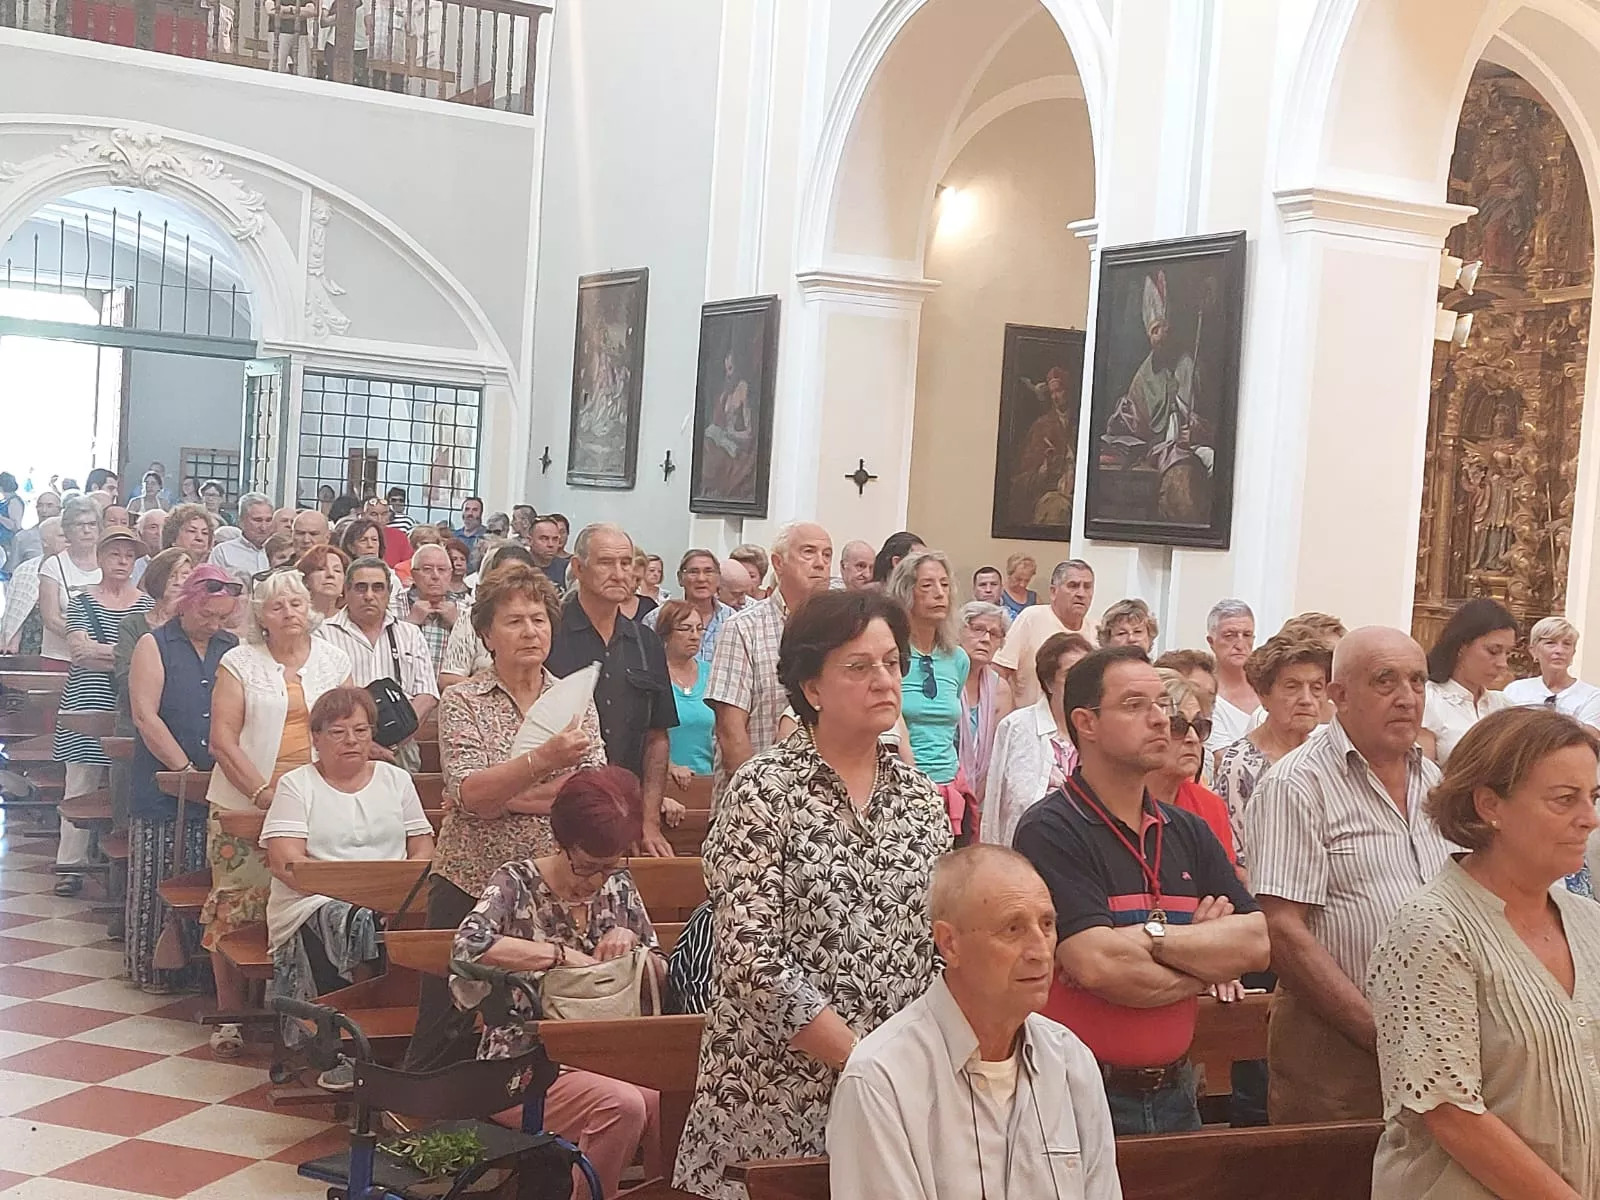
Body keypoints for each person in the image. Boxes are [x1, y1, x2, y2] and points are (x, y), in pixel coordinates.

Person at [672, 589, 952, 1199]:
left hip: (895, 1096)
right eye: (859, 666)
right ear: (813, 688)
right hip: (775, 1094)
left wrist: (918, 1060)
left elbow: (939, 947)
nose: (884, 679)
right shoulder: (763, 791)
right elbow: (752, 958)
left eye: (892, 662)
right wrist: (865, 1061)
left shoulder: (921, 801)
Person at [1012, 645, 1267, 1135]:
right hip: (1079, 1092)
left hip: (1177, 1092)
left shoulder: (1188, 830)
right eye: (1135, 705)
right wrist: (1201, 961)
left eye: (1162, 706)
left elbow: (1256, 943)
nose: (1160, 721)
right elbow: (1097, 964)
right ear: (1085, 723)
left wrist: (1146, 939)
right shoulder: (1052, 828)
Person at [1366, 707, 1600, 1200]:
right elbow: (1450, 1114)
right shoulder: (1432, 928)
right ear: (1490, 805)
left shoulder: (1589, 920)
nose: (1589, 819)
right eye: (1565, 800)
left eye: (1593, 797)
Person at [1244, 626, 1455, 1124]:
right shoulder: (1298, 784)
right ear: (1338, 695)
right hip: (1337, 1049)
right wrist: (1377, 1035)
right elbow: (1284, 932)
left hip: (1439, 1043)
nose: (1407, 698)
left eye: (1417, 682)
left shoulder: (1436, 782)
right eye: (1386, 681)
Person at [827, 846, 1120, 1200]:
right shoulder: (881, 1079)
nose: (1041, 951)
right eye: (1013, 928)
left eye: (1047, 925)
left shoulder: (1071, 1061)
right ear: (949, 944)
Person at [403, 562, 604, 1073]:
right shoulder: (462, 700)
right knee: (447, 1019)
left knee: (534, 1020)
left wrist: (507, 793)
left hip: (546, 886)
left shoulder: (575, 699)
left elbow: (588, 793)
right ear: (487, 634)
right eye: (514, 621)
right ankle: (424, 1128)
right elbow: (469, 793)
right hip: (470, 880)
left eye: (539, 619)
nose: (531, 631)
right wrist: (542, 765)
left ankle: (527, 1132)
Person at [453, 767, 666, 1199]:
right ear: (559, 842)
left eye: (610, 867)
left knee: (663, 1097)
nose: (596, 881)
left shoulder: (617, 884)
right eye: (586, 866)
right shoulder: (515, 882)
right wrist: (556, 955)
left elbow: (659, 965)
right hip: (523, 1065)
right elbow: (466, 950)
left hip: (607, 1056)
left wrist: (631, 943)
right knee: (624, 1104)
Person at [204, 570, 352, 1057]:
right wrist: (262, 791)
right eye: (277, 606)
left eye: (296, 603)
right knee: (236, 903)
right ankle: (229, 1014)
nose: (289, 612)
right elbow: (222, 738)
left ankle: (298, 1009)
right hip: (245, 801)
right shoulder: (239, 661)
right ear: (261, 618)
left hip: (317, 802)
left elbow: (349, 724)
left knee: (306, 905)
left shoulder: (333, 659)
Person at [262, 687, 434, 1089]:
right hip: (312, 900)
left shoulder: (395, 779)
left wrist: (399, 886)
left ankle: (414, 1041)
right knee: (351, 919)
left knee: (429, 918)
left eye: (360, 729)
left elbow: (423, 845)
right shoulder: (296, 784)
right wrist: (349, 891)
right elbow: (286, 860)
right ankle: (343, 1046)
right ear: (317, 738)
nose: (352, 740)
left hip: (395, 897)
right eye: (338, 732)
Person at [126, 565, 241, 993]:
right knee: (159, 875)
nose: (213, 625)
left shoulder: (230, 647)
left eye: (221, 618)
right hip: (164, 783)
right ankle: (152, 969)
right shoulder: (155, 644)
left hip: (216, 782)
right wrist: (183, 772)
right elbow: (145, 714)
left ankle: (199, 972)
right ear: (186, 603)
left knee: (202, 876)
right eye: (205, 616)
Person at [547, 524, 677, 855]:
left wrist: (648, 822)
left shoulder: (646, 642)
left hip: (623, 814)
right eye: (606, 562)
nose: (619, 573)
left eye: (626, 563)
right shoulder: (549, 633)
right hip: (554, 813)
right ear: (578, 568)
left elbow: (657, 737)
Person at [51, 529, 155, 896]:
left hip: (128, 704)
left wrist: (106, 651)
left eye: (129, 555)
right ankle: (71, 867)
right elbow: (79, 650)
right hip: (85, 699)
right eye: (115, 554)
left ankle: (119, 869)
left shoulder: (146, 605)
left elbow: (150, 654)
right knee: (79, 782)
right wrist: (125, 654)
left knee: (123, 786)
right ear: (100, 558)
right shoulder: (82, 600)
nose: (122, 562)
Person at [706, 522, 833, 793]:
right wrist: (764, 799)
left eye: (827, 554)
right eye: (809, 552)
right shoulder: (743, 628)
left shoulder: (839, 631)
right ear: (778, 563)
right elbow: (731, 732)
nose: (820, 563)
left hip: (822, 806)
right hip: (756, 802)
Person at [1214, 634, 1330, 869]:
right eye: (1292, 687)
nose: (1307, 699)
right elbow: (1238, 859)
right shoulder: (1241, 764)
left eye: (1316, 688)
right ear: (1263, 695)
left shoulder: (1328, 756)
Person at [317, 556, 439, 773]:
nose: (369, 596)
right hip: (341, 752)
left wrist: (392, 744)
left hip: (400, 754)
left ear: (389, 592)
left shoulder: (409, 634)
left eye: (378, 588)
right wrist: (363, 743)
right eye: (361, 588)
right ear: (346, 590)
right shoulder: (322, 634)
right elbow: (319, 699)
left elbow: (427, 695)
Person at [981, 631, 1093, 848]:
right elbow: (994, 806)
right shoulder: (1016, 727)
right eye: (1071, 673)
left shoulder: (1101, 732)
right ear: (1049, 683)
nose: (1082, 682)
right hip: (1024, 855)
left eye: (1088, 674)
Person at [887, 550, 972, 834]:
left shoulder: (957, 659)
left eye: (945, 585)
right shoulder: (889, 655)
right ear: (906, 592)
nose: (939, 594)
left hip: (948, 788)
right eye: (927, 585)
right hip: (898, 789)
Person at [1150, 669, 1237, 865]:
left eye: (1199, 726)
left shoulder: (1211, 806)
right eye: (1177, 726)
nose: (1193, 738)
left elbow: (1224, 890)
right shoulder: (1120, 805)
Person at [1419, 597, 1516, 765]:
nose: (1502, 664)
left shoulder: (1503, 705)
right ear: (1462, 647)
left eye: (1507, 653)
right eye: (1493, 651)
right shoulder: (1429, 700)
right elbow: (1422, 775)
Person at [993, 558, 1094, 709]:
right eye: (1073, 586)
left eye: (1087, 587)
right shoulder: (1032, 618)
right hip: (1029, 722)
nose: (1081, 593)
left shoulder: (1096, 630)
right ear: (1053, 592)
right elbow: (999, 672)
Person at [437, 542, 538, 689]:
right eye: (506, 576)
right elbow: (449, 679)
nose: (513, 582)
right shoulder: (472, 617)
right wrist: (494, 692)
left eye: (519, 576)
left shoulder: (544, 619)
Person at [956, 601, 1011, 815]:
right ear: (958, 632)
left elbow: (998, 755)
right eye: (978, 629)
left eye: (994, 634)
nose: (986, 639)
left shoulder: (1001, 689)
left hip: (981, 797)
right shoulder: (943, 678)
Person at [1502, 616, 1600, 730]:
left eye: (1567, 644)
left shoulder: (1592, 696)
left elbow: (1588, 735)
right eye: (1550, 643)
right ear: (1533, 651)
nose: (1559, 651)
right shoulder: (1515, 691)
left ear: (1573, 652)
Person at [38, 494, 102, 665]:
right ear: (67, 530)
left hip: (103, 659)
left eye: (92, 524)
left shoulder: (110, 562)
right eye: (80, 525)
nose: (87, 530)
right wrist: (84, 641)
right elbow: (51, 619)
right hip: (61, 659)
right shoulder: (53, 565)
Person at [657, 598, 714, 788]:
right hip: (664, 783)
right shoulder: (653, 676)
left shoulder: (712, 674)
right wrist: (668, 766)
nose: (695, 636)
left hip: (709, 781)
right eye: (685, 629)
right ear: (666, 633)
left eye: (699, 628)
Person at [641, 549, 734, 665]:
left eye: (708, 572)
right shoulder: (657, 618)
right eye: (693, 572)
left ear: (719, 578)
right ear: (680, 578)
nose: (701, 579)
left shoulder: (733, 620)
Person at [391, 543, 460, 674]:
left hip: (451, 691)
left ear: (450, 574)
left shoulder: (466, 609)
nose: (435, 576)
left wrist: (459, 624)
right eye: (427, 569)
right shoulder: (393, 605)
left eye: (442, 570)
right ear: (413, 574)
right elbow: (382, 650)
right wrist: (410, 623)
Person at [1205, 599, 1263, 756]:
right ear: (1212, 641)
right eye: (1230, 636)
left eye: (1247, 635)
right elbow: (1222, 758)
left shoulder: (1268, 687)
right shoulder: (1207, 694)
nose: (1240, 644)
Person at [0, 517, 65, 654]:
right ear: (45, 542)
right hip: (26, 644)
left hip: (61, 643)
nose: (68, 540)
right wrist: (8, 638)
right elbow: (13, 609)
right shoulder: (25, 570)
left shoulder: (77, 568)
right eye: (61, 536)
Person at [208, 492, 272, 583]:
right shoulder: (223, 552)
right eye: (257, 520)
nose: (264, 527)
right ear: (241, 521)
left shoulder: (281, 551)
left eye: (268, 520)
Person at [298, 544, 350, 619]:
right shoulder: (294, 618)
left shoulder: (355, 620)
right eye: (321, 569)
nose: (330, 574)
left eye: (337, 570)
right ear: (305, 579)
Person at [10, 490, 60, 565]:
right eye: (40, 506)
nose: (44, 510)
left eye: (49, 506)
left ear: (60, 509)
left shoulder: (70, 537)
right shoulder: (22, 538)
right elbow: (12, 570)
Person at [529, 515, 568, 588]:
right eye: (544, 538)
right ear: (529, 540)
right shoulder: (519, 568)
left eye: (555, 539)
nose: (551, 544)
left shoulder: (567, 569)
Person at [0, 471, 25, 579]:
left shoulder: (14, 501)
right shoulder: (5, 500)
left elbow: (15, 525)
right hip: (3, 542)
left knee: (9, 574)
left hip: (10, 542)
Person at [621, 550, 657, 622]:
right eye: (630, 577)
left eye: (638, 579)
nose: (633, 584)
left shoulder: (649, 607)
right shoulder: (600, 606)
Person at [999, 552, 1037, 619]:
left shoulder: (1034, 597)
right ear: (1009, 574)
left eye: (1027, 580)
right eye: (1018, 579)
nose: (1022, 585)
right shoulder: (998, 594)